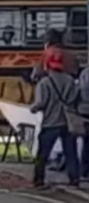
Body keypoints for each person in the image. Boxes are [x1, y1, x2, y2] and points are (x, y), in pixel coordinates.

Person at [30, 51, 81, 189]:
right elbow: (75, 99)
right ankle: (74, 178)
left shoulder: (44, 83)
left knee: (43, 154)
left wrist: (32, 108)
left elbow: (41, 103)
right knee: (71, 152)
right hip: (68, 122)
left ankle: (39, 179)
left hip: (50, 122)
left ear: (48, 65)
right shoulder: (70, 81)